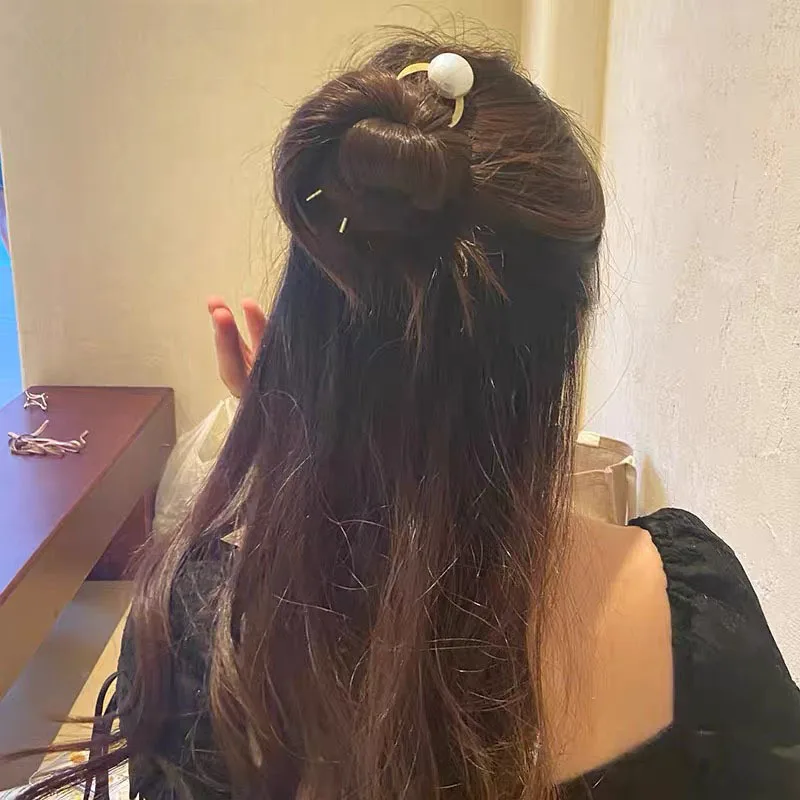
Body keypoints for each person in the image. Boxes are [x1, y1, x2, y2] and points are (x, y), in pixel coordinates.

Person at [17, 31, 800, 800]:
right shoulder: (689, 613)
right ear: (564, 334)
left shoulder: (202, 633)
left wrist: (296, 439)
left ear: (308, 323)